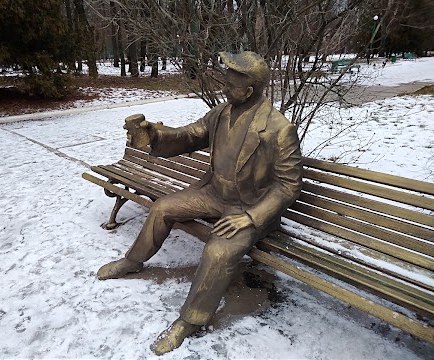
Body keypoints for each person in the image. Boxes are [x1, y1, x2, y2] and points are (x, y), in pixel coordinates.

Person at [97, 51, 303, 355]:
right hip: (213, 193)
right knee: (162, 207)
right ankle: (133, 261)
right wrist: (153, 135)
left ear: (248, 90)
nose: (223, 88)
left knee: (218, 250)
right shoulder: (220, 114)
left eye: (230, 85)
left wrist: (250, 218)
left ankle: (190, 320)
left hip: (247, 209)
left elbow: (288, 186)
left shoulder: (278, 129)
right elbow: (190, 135)